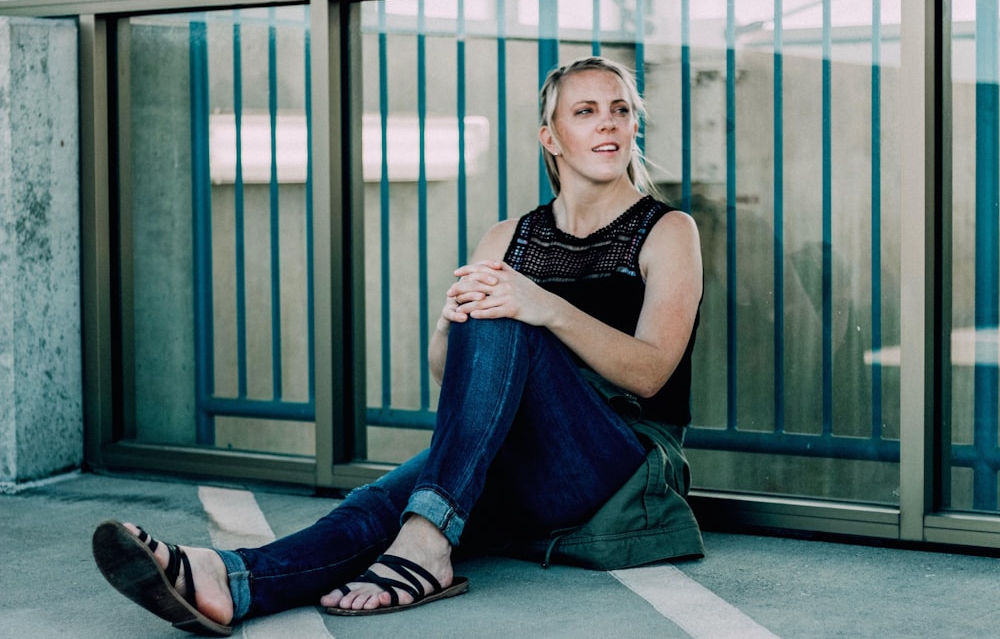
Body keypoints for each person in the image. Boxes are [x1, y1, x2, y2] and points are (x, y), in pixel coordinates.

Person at [92, 55, 704, 636]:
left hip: (614, 462)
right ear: (551, 138)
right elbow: (455, 375)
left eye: (621, 110)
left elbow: (651, 374)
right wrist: (448, 326)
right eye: (587, 111)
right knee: (383, 502)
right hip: (521, 456)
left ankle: (427, 538)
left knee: (494, 328)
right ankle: (230, 578)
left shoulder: (668, 230)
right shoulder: (507, 237)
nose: (609, 124)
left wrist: (542, 307)